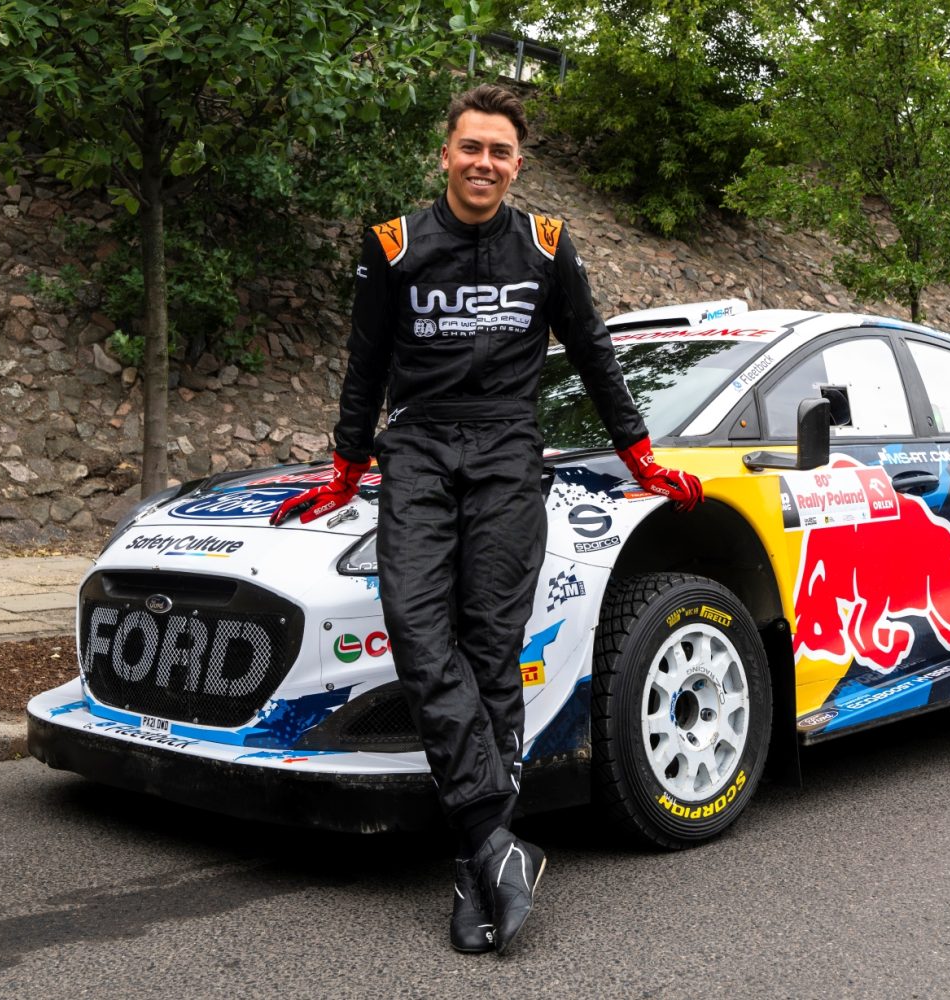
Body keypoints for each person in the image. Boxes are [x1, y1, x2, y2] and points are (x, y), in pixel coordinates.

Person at [269, 84, 703, 954]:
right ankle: (496, 838)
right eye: (471, 147)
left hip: (509, 453)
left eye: (500, 152)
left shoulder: (546, 244)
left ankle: (479, 866)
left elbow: (594, 352)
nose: (484, 163)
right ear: (446, 155)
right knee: (418, 632)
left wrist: (640, 456)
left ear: (517, 164)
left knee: (492, 650)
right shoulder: (394, 245)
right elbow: (364, 365)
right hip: (418, 451)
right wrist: (347, 465)